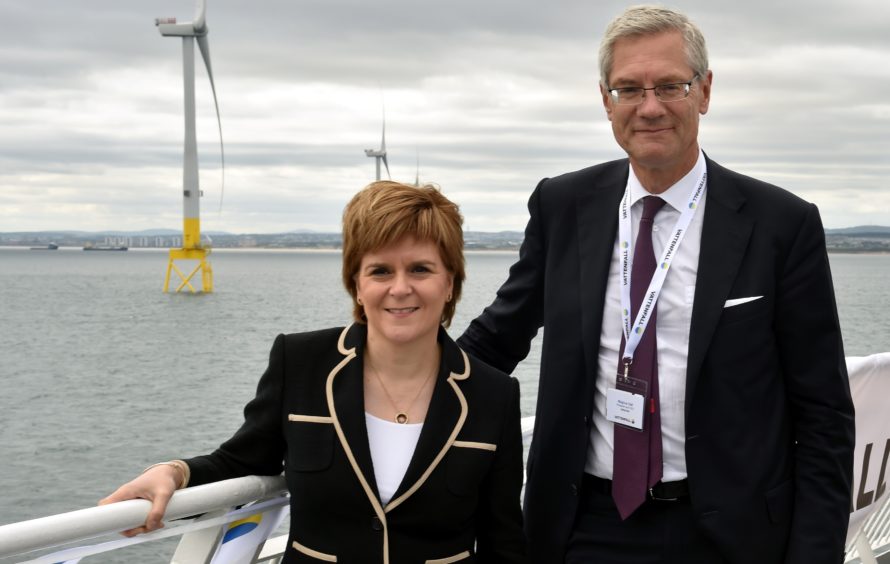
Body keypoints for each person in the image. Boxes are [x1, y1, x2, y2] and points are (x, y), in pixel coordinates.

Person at [457, 5, 855, 563]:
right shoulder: (562, 206)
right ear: (605, 100)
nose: (649, 107)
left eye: (670, 86)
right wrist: (371, 379)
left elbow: (824, 416)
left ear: (705, 91)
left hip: (731, 535)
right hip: (583, 528)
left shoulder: (780, 224)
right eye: (628, 89)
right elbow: (494, 343)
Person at [101, 180, 528, 563]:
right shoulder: (300, 362)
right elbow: (242, 458)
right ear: (357, 285)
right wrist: (173, 472)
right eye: (380, 270)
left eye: (420, 268)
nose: (400, 288)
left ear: (450, 282)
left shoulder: (493, 395)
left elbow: (502, 542)